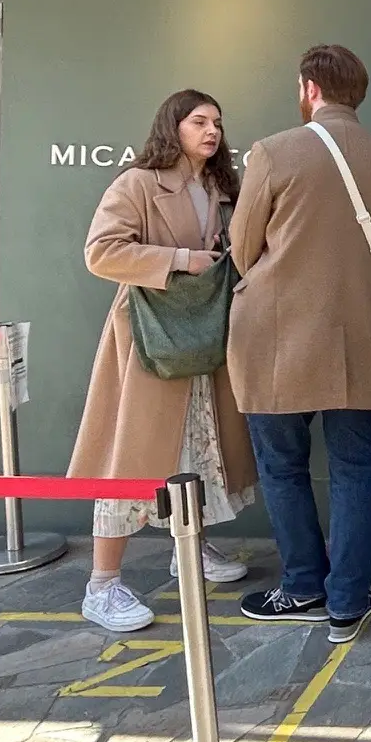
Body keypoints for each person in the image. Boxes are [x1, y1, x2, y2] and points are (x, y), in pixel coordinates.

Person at [231, 45, 371, 645]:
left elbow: (241, 247)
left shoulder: (273, 151)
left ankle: (304, 584)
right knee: (355, 471)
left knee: (282, 468)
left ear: (309, 87)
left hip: (278, 339)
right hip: (363, 336)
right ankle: (347, 601)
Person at [68, 90, 256, 633]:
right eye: (199, 121)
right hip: (150, 336)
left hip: (205, 334)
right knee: (131, 456)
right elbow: (100, 252)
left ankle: (190, 549)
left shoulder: (223, 188)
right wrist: (179, 260)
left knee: (202, 445)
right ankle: (101, 585)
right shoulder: (138, 183)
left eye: (217, 121)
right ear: (171, 126)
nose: (211, 130)